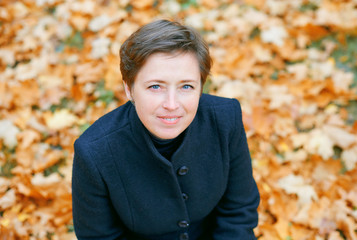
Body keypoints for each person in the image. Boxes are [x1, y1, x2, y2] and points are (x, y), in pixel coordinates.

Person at [72, 19, 260, 240]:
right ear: (129, 89)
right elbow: (100, 237)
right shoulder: (95, 153)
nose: (172, 104)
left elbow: (238, 212)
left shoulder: (225, 119)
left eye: (186, 86)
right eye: (155, 86)